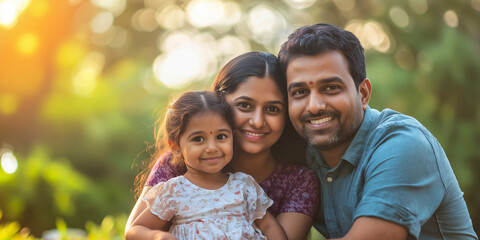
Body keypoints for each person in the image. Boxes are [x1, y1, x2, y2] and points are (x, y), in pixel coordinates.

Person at [278, 23, 478, 240]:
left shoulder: (403, 143)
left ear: (363, 94)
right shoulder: (302, 155)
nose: (314, 106)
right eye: (299, 92)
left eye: (331, 88)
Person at [126, 52, 320, 240]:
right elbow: (136, 231)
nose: (258, 121)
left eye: (272, 109)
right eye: (244, 105)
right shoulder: (175, 166)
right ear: (219, 105)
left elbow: (272, 229)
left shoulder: (297, 182)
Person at [126, 91, 287, 240]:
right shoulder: (174, 192)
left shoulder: (244, 185)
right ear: (175, 147)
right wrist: (157, 236)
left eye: (221, 136)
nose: (212, 147)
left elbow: (268, 224)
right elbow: (134, 230)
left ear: (233, 136)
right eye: (198, 139)